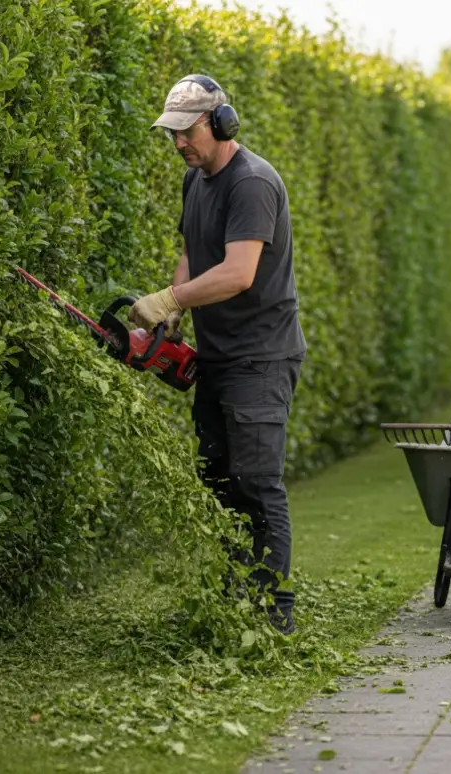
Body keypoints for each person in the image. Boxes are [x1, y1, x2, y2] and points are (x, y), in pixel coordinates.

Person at [130, 74, 307, 635]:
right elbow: (193, 251)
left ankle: (273, 613)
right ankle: (234, 600)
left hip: (261, 357)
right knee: (218, 480)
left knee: (256, 481)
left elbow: (236, 273)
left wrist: (168, 299)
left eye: (188, 130)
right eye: (172, 133)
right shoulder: (196, 181)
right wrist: (176, 312)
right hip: (218, 356)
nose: (179, 143)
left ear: (222, 123)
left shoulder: (251, 182)